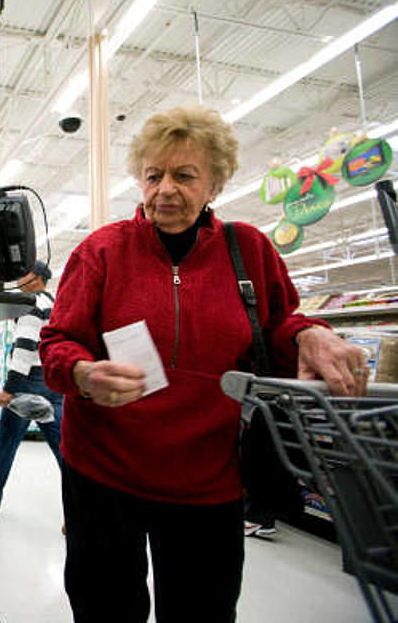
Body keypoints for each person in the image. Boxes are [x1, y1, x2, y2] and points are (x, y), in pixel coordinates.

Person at [38, 105, 369, 623]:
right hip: (103, 472)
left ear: (215, 183)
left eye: (184, 175)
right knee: (104, 608)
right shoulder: (102, 251)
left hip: (207, 481)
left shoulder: (250, 250)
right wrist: (83, 374)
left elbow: (281, 326)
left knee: (202, 612)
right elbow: (58, 341)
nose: (165, 189)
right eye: (154, 175)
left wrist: (310, 335)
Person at [0, 260, 63, 517]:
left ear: (35, 278)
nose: (18, 277)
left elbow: (24, 348)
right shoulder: (55, 303)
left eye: (23, 274)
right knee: (66, 450)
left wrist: (10, 389)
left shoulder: (31, 305)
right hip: (53, 381)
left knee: (5, 442)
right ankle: (82, 514)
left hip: (29, 382)